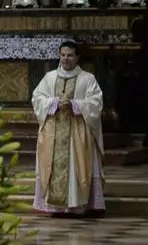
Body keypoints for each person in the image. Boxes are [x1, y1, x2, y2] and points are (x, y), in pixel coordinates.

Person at [32, 41, 105, 216]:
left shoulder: (88, 79)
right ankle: (56, 207)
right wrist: (54, 102)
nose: (66, 58)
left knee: (76, 167)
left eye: (70, 55)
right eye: (63, 55)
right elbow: (37, 98)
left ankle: (78, 205)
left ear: (77, 57)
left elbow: (96, 103)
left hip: (77, 132)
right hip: (53, 131)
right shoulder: (49, 77)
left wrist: (74, 104)